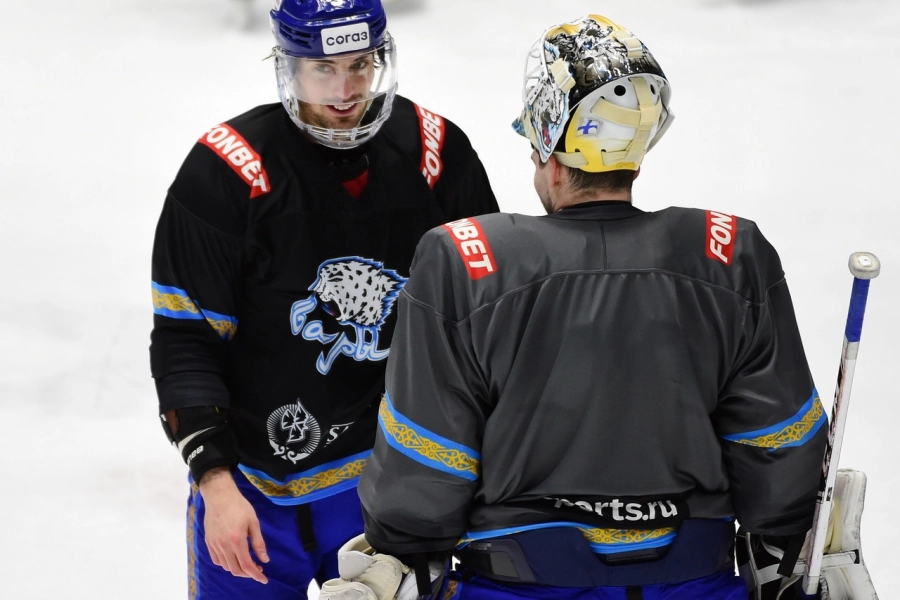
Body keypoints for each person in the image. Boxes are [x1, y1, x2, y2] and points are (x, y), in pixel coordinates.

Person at [318, 13, 830, 600]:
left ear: (543, 138)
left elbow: (425, 468)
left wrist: (399, 546)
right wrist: (782, 543)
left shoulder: (464, 261)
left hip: (516, 584)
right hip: (696, 580)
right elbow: (781, 450)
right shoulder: (730, 254)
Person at [149, 0, 499, 597]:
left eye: (361, 65)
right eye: (323, 68)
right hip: (257, 494)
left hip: (397, 488)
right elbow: (187, 339)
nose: (346, 89)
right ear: (288, 66)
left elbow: (486, 325)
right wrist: (215, 483)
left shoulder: (436, 155)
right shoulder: (227, 171)